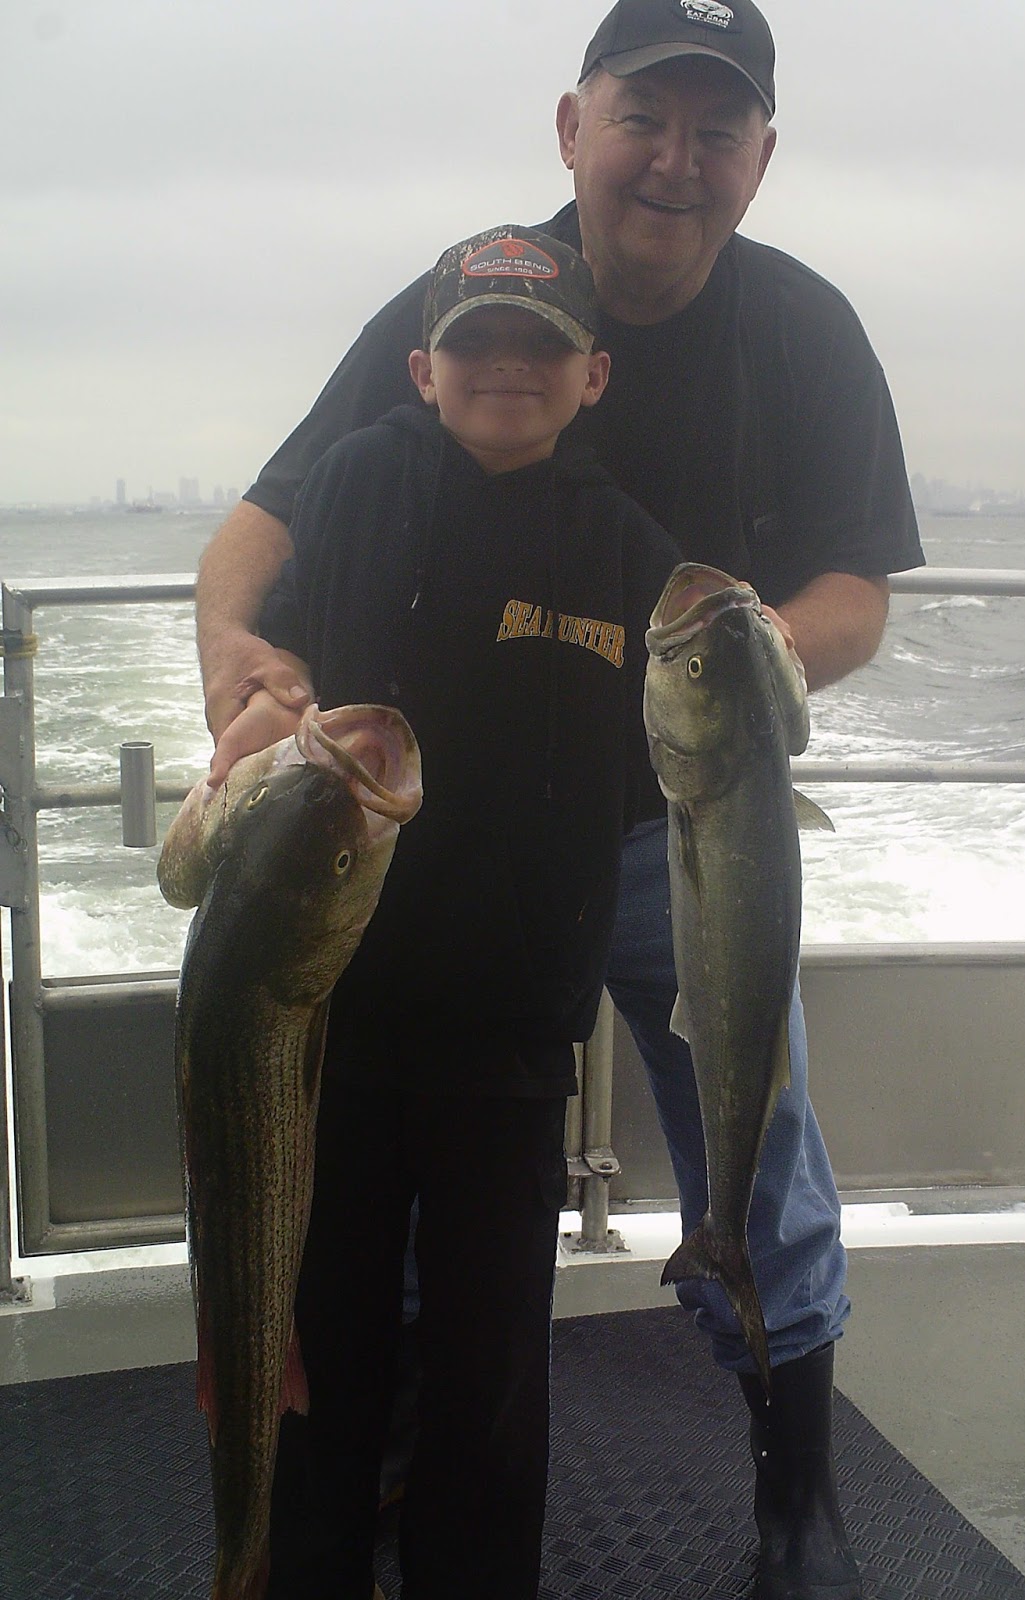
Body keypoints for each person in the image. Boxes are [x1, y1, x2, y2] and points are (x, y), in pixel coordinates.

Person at [196, 3, 925, 1596]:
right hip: (451, 838)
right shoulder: (481, 284)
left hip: (686, 828)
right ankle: (376, 1443)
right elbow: (264, 520)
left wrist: (730, 673)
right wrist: (238, 656)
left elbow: (858, 590)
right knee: (394, 1161)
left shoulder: (804, 329)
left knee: (759, 1140)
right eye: (642, 117)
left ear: (762, 157)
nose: (674, 161)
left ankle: (794, 1486)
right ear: (571, 125)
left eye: (714, 128)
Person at [230, 225, 681, 1600]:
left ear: (592, 374)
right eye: (475, 343)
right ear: (421, 367)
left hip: (509, 1048)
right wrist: (254, 699)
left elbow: (685, 756)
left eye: (538, 346)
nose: (506, 369)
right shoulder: (356, 480)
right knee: (327, 1351)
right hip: (330, 1019)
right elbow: (286, 646)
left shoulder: (629, 549)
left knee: (491, 1378)